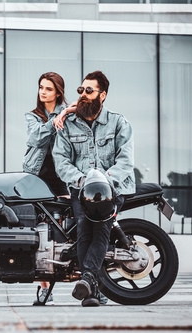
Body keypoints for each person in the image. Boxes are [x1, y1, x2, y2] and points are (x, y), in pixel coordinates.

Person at [52, 70, 135, 307]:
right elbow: (61, 160)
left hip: (112, 188)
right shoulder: (68, 125)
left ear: (103, 94)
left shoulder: (119, 122)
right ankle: (92, 289)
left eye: (89, 90)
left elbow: (126, 161)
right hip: (81, 188)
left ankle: (88, 281)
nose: (83, 95)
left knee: (99, 230)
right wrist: (82, 181)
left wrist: (104, 182)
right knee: (83, 230)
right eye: (81, 90)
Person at [23, 72, 75, 305]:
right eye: (41, 87)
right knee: (37, 235)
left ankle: (94, 282)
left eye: (48, 89)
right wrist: (56, 119)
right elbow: (35, 138)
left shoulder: (70, 114)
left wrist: (64, 113)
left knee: (72, 232)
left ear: (58, 92)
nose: (43, 92)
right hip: (36, 179)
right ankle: (45, 289)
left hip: (62, 179)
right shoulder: (32, 115)